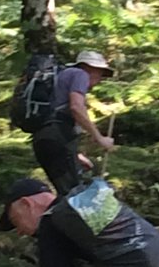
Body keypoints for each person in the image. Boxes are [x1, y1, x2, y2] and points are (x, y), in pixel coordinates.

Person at [32, 50, 116, 196]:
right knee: (74, 195)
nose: (101, 78)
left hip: (45, 138)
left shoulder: (62, 76)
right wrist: (99, 138)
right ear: (91, 68)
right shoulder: (80, 74)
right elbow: (76, 107)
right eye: (100, 72)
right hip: (56, 138)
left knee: (67, 191)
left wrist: (75, 154)